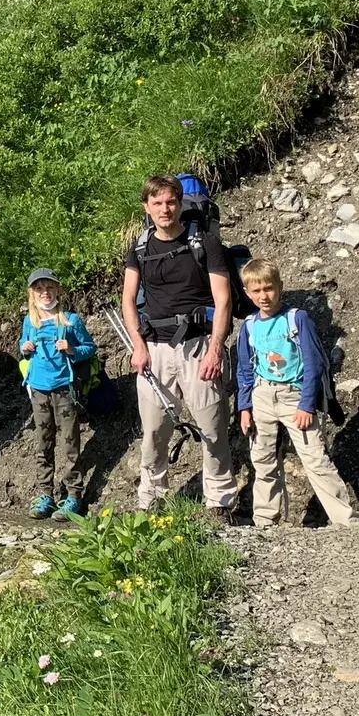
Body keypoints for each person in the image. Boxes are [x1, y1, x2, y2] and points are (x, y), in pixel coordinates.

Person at [118, 174, 238, 521]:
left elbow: (223, 299)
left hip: (199, 345)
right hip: (154, 350)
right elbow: (128, 301)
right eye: (157, 203)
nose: (164, 208)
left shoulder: (206, 244)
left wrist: (216, 349)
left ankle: (219, 501)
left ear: (181, 203)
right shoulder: (139, 248)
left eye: (170, 201)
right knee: (154, 431)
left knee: (213, 428)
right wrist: (137, 346)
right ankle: (151, 498)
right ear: (147, 207)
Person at [236, 259, 359, 527]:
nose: (264, 296)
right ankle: (264, 520)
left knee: (315, 457)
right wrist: (244, 407)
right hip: (262, 395)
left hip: (294, 396)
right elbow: (245, 370)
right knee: (263, 460)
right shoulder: (248, 326)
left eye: (269, 289)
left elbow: (314, 362)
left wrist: (307, 405)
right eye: (256, 291)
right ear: (247, 293)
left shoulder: (297, 319)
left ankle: (344, 520)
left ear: (280, 287)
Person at [19, 268, 97, 521]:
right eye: (39, 288)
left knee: (70, 442)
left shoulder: (71, 320)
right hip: (38, 388)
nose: (45, 292)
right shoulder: (29, 322)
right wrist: (25, 348)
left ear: (57, 291)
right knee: (43, 442)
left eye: (49, 287)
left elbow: (90, 348)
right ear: (32, 294)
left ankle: (74, 496)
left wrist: (72, 349)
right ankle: (46, 495)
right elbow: (24, 350)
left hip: (65, 387)